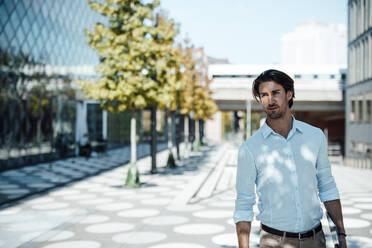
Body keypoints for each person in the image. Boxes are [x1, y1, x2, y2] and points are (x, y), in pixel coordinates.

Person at [234, 69, 347, 248]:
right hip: (274, 242)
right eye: (264, 95)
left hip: (316, 240)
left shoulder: (315, 137)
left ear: (289, 94)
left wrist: (341, 233)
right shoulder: (250, 148)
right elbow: (243, 204)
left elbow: (327, 186)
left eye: (275, 93)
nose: (270, 100)